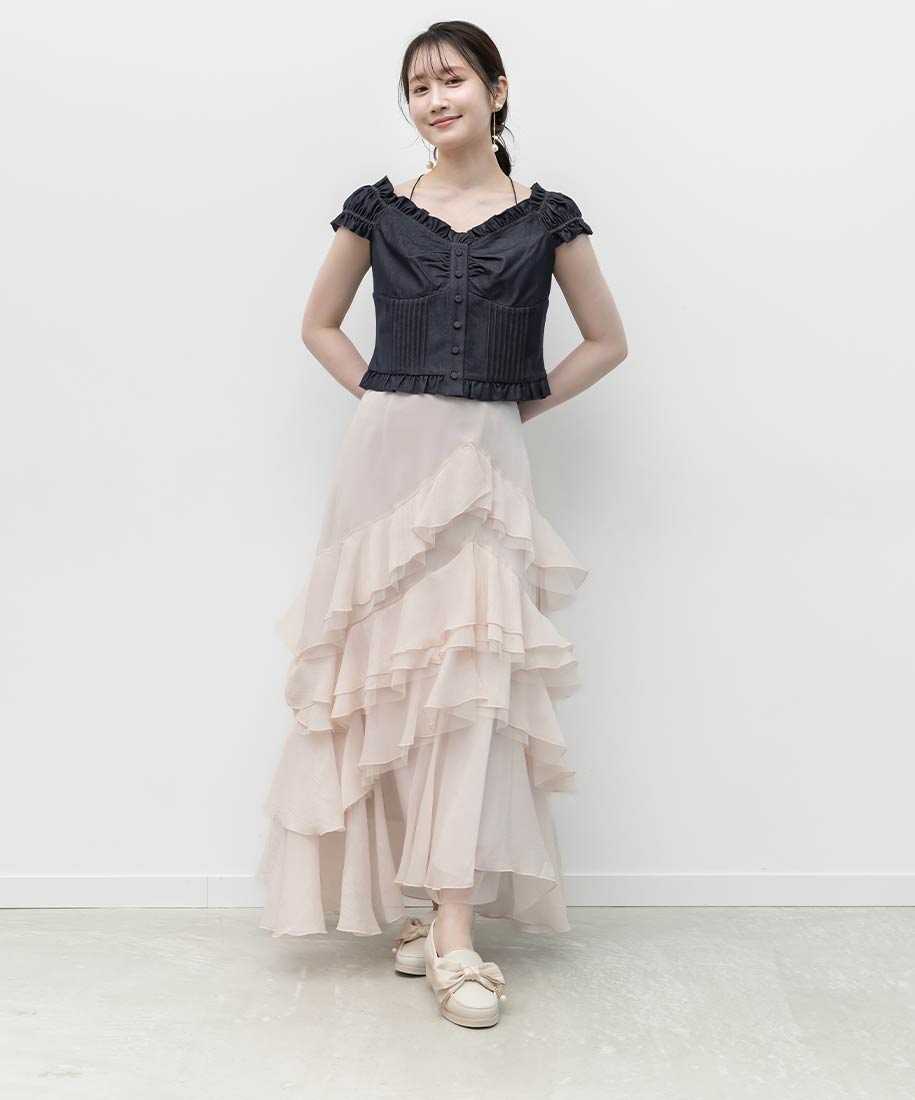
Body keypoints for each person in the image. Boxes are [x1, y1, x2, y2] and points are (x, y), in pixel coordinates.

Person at [257, 21, 628, 1028]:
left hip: (485, 461)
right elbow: (318, 325)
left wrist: (513, 407)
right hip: (383, 466)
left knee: (468, 684)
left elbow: (606, 341)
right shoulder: (376, 209)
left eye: (452, 79)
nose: (434, 98)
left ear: (495, 91)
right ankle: (420, 913)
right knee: (386, 679)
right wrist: (384, 395)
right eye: (417, 86)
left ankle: (455, 931)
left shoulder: (548, 219)